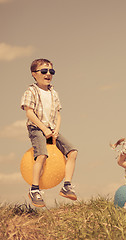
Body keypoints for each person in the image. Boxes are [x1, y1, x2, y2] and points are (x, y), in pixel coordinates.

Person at [20, 58, 78, 208]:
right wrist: (44, 129)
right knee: (41, 155)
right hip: (37, 128)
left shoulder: (54, 93)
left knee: (73, 152)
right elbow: (29, 113)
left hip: (52, 130)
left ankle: (67, 186)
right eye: (43, 71)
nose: (48, 74)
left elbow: (58, 113)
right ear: (34, 74)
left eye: (51, 71)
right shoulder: (31, 91)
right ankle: (34, 189)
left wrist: (56, 130)